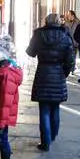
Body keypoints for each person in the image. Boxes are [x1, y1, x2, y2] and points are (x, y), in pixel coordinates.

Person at [25, 13, 75, 151]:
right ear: (59, 22)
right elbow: (70, 60)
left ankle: (45, 142)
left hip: (43, 72)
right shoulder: (65, 36)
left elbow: (30, 52)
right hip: (58, 73)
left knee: (44, 109)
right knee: (55, 107)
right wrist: (63, 73)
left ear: (46, 21)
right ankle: (52, 136)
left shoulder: (38, 34)